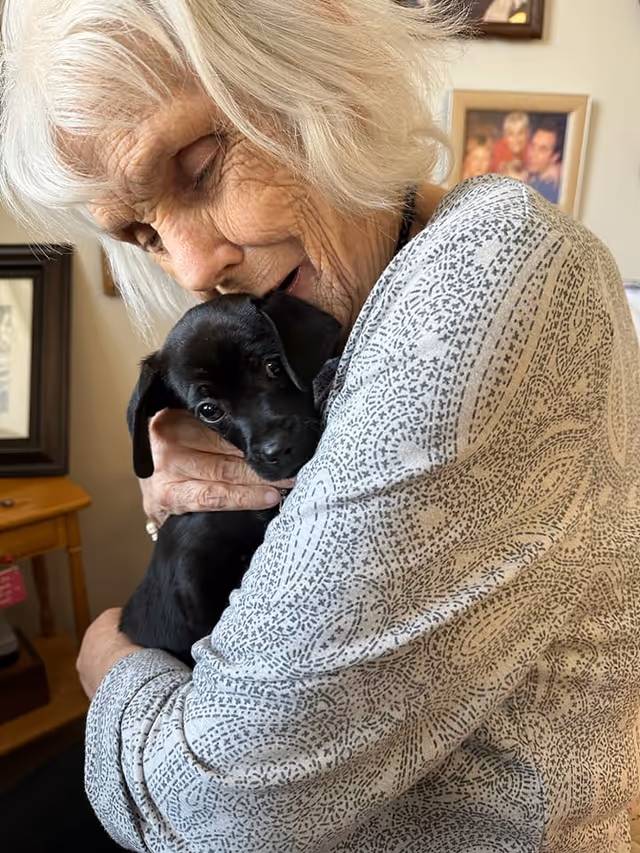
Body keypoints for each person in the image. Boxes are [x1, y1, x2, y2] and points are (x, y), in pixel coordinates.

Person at [2, 2, 640, 852]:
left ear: (323, 67)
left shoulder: (491, 272)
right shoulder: (362, 310)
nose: (193, 267)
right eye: (144, 231)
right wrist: (180, 502)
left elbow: (219, 810)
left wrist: (104, 666)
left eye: (199, 167)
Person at [527, 119, 563, 204]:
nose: (533, 154)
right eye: (533, 145)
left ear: (555, 157)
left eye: (542, 149)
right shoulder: (532, 176)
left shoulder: (545, 189)